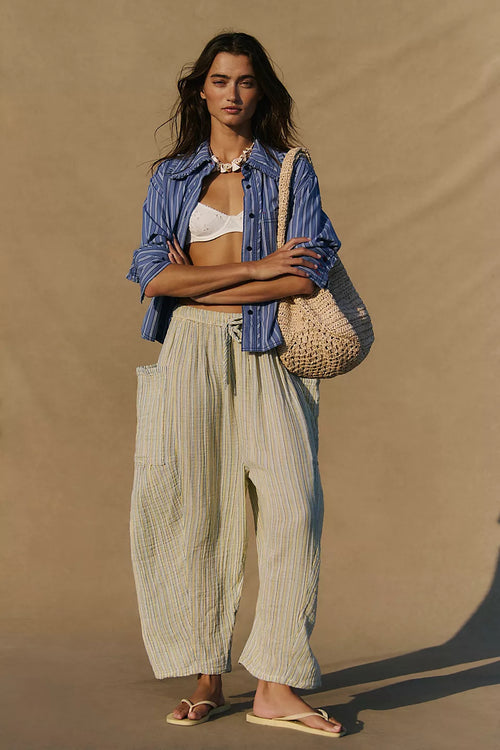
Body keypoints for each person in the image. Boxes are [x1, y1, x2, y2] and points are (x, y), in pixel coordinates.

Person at [126, 31, 347, 738]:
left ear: (261, 92)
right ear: (201, 89)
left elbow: (304, 276)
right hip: (189, 352)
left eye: (246, 81)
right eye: (220, 80)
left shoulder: (289, 171)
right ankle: (206, 674)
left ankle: (276, 685)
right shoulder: (172, 176)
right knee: (195, 510)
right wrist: (255, 268)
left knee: (293, 507)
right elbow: (153, 276)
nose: (232, 93)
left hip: (266, 350)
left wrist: (202, 277)